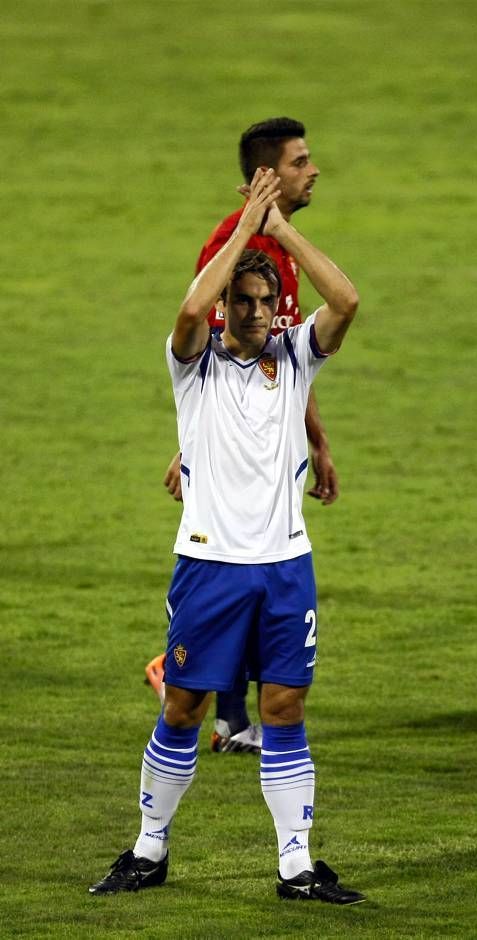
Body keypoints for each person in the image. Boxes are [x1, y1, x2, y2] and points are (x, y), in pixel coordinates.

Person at [90, 167, 365, 904]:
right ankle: (149, 850)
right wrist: (246, 226)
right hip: (210, 567)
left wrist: (281, 233)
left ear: (278, 306)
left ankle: (296, 866)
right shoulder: (194, 367)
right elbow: (187, 310)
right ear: (224, 309)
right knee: (184, 708)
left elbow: (347, 300)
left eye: (263, 300)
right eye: (239, 302)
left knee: (284, 710)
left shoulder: (296, 358)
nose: (250, 312)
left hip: (285, 567)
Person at [154, 118, 335, 754]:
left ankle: (227, 712)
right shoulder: (232, 251)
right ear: (270, 175)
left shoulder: (285, 251)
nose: (313, 170)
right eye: (300, 161)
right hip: (219, 486)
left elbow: (285, 360)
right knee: (231, 565)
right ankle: (211, 701)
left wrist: (314, 437)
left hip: (271, 446)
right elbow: (201, 332)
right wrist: (190, 447)